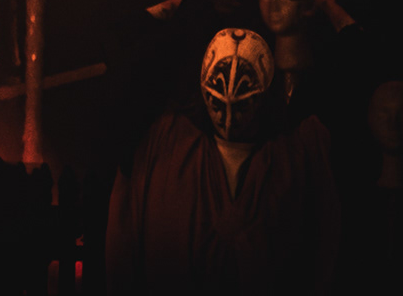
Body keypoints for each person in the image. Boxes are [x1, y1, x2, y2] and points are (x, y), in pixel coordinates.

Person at [107, 27, 339, 294]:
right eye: (217, 104)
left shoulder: (294, 155)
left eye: (241, 106)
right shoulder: (168, 144)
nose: (227, 121)